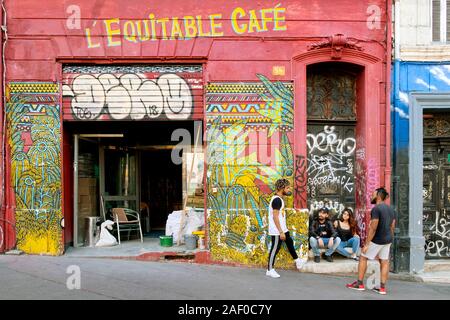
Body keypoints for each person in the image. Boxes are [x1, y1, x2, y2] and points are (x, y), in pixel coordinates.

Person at [346, 187, 396, 295]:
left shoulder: (376, 209)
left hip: (377, 239)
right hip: (387, 240)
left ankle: (359, 283)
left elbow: (373, 227)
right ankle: (382, 288)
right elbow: (392, 226)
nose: (371, 196)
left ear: (378, 196)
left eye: (373, 194)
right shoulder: (391, 209)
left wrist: (367, 244)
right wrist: (390, 239)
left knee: (363, 257)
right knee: (384, 261)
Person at [266, 178, 306, 278]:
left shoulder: (279, 199)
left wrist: (284, 230)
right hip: (276, 230)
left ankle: (297, 261)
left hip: (283, 229)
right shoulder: (276, 200)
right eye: (287, 188)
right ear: (281, 188)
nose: (289, 190)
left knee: (289, 241)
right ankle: (269, 269)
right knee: (275, 249)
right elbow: (275, 217)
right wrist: (280, 232)